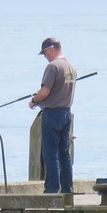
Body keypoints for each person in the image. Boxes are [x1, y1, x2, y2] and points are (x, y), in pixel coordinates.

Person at [29, 37, 77, 195]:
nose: (45, 57)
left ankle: (51, 189)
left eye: (45, 53)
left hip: (52, 114)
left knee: (50, 153)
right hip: (66, 113)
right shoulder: (70, 67)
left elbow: (45, 92)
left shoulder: (53, 67)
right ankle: (67, 189)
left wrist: (34, 100)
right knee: (64, 153)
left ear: (50, 49)